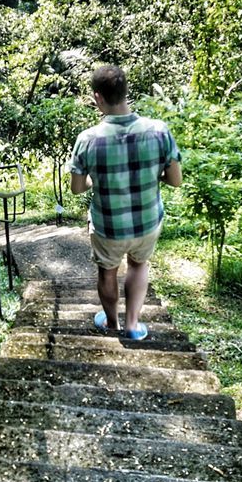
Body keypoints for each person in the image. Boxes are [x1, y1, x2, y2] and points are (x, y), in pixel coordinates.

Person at [66, 64, 182, 340]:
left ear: (98, 97)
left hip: (109, 227)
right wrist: (151, 175)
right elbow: (175, 180)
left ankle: (111, 324)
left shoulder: (87, 140)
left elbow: (77, 188)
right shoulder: (159, 130)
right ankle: (132, 326)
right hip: (146, 223)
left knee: (107, 272)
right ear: (126, 92)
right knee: (139, 265)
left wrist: (98, 178)